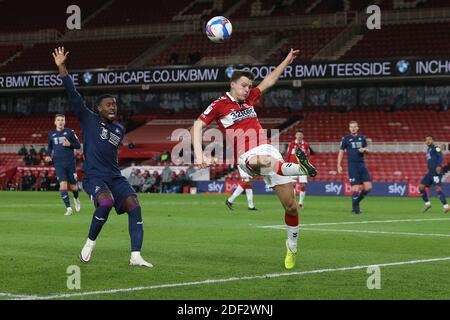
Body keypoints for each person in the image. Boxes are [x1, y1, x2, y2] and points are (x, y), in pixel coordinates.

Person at [191, 49, 317, 269]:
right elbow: (198, 125)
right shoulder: (220, 104)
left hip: (268, 150)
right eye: (244, 85)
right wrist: (199, 153)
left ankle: (292, 246)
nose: (248, 89)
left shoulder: (250, 98)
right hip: (246, 156)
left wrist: (287, 60)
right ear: (232, 84)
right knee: (263, 162)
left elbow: (269, 81)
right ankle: (300, 168)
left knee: (291, 207)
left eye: (249, 86)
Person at [53, 47, 152, 267]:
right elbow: (73, 93)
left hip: (114, 177)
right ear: (98, 108)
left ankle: (135, 255)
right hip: (94, 177)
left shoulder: (119, 129)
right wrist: (62, 67)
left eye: (114, 105)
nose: (112, 107)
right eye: (108, 104)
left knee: (134, 205)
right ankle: (89, 244)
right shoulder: (88, 118)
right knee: (105, 202)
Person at [45, 113, 81, 216]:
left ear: (64, 122)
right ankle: (69, 208)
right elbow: (50, 147)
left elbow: (78, 145)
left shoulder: (70, 132)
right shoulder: (51, 134)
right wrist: (48, 155)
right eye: (58, 120)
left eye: (62, 120)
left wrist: (70, 145)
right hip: (58, 164)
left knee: (73, 186)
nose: (60, 122)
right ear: (55, 122)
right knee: (63, 185)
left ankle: (76, 198)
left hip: (70, 163)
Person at [337, 121, 372, 214]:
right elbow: (341, 152)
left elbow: (367, 151)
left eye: (354, 127)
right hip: (352, 165)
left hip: (361, 165)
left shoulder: (362, 138)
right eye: (351, 127)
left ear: (357, 128)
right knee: (355, 188)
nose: (353, 128)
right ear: (349, 128)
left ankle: (356, 203)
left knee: (368, 187)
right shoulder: (346, 139)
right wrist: (338, 165)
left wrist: (364, 150)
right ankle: (356, 209)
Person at [285, 129, 314, 208]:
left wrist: (307, 164)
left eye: (300, 134)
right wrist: (286, 165)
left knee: (303, 185)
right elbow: (288, 155)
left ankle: (301, 203)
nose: (299, 136)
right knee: (292, 185)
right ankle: (293, 202)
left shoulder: (306, 145)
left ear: (303, 136)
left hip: (302, 167)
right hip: (293, 166)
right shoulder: (291, 144)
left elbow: (309, 155)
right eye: (298, 134)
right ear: (295, 136)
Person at [420, 136, 449, 213]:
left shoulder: (436, 147)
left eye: (429, 139)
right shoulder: (428, 150)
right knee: (421, 187)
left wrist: (439, 166)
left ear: (433, 140)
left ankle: (446, 207)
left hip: (436, 173)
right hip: (430, 173)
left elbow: (441, 156)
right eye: (426, 140)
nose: (428, 141)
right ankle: (428, 204)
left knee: (437, 188)